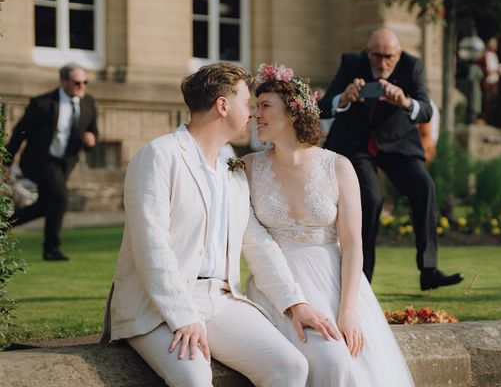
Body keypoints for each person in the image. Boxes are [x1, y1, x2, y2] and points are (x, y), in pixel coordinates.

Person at [102, 63, 340, 387]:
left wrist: (296, 305)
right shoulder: (158, 156)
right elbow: (151, 247)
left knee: (291, 367)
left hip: (221, 301)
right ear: (223, 106)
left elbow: (256, 242)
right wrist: (183, 317)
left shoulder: (233, 166)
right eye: (247, 102)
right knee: (194, 376)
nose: (254, 113)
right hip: (155, 306)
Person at [244, 63, 414, 386]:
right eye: (255, 106)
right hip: (278, 285)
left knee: (352, 362)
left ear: (293, 113)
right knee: (332, 361)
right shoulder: (248, 169)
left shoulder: (338, 166)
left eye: (265, 106)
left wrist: (348, 311)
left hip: (335, 284)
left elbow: (352, 245)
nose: (256, 114)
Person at [318, 28, 463, 290]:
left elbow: (426, 111)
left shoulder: (412, 65)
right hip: (356, 144)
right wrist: (344, 98)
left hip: (397, 143)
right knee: (370, 198)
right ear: (367, 51)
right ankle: (361, 279)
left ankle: (428, 270)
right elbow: (323, 105)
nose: (382, 63)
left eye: (389, 57)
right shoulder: (351, 63)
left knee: (424, 186)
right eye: (376, 56)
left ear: (398, 55)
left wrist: (405, 102)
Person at [5, 63, 98, 261]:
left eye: (84, 82)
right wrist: (6, 160)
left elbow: (92, 130)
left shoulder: (88, 102)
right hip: (41, 161)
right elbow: (19, 132)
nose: (81, 86)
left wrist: (91, 140)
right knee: (60, 199)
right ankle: (52, 249)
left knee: (47, 206)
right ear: (63, 81)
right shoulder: (42, 104)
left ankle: (4, 224)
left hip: (65, 164)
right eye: (76, 82)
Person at [479, 37, 501, 125]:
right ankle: (483, 119)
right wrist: (495, 71)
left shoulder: (495, 55)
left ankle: (490, 120)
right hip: (488, 81)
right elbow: (487, 69)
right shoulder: (485, 55)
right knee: (487, 101)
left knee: (493, 101)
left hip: (495, 80)